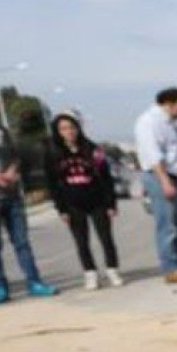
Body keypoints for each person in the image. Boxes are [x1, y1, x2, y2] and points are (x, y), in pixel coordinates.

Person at [44, 114, 122, 290]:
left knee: (106, 238)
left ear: (78, 128)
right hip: (72, 203)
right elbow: (52, 183)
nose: (69, 132)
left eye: (71, 127)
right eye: (63, 129)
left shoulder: (93, 149)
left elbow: (106, 177)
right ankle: (90, 272)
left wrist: (111, 203)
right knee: (81, 240)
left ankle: (112, 269)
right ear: (58, 132)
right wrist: (61, 208)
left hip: (97, 200)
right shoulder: (53, 153)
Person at [133, 87, 177, 283]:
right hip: (160, 176)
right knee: (167, 224)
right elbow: (153, 155)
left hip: (176, 176)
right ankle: (171, 268)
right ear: (169, 103)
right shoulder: (149, 122)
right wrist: (165, 181)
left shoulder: (171, 123)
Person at [0, 135, 57, 303]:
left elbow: (19, 157)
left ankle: (34, 282)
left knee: (22, 243)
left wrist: (13, 171)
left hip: (13, 199)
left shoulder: (2, 137)